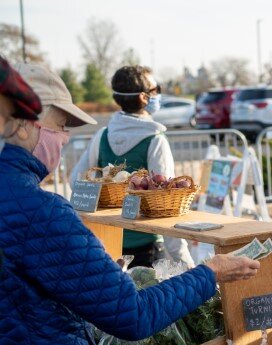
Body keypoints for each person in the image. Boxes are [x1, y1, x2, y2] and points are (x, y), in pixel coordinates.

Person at [0, 56, 259, 345]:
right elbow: (131, 315)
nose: (63, 140)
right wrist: (209, 273)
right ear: (22, 125)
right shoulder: (38, 209)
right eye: (59, 126)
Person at [71, 65, 193, 267]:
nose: (158, 95)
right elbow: (164, 201)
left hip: (107, 244)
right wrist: (186, 262)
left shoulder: (102, 136)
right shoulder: (155, 140)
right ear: (144, 98)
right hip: (148, 246)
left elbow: (76, 181)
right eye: (156, 90)